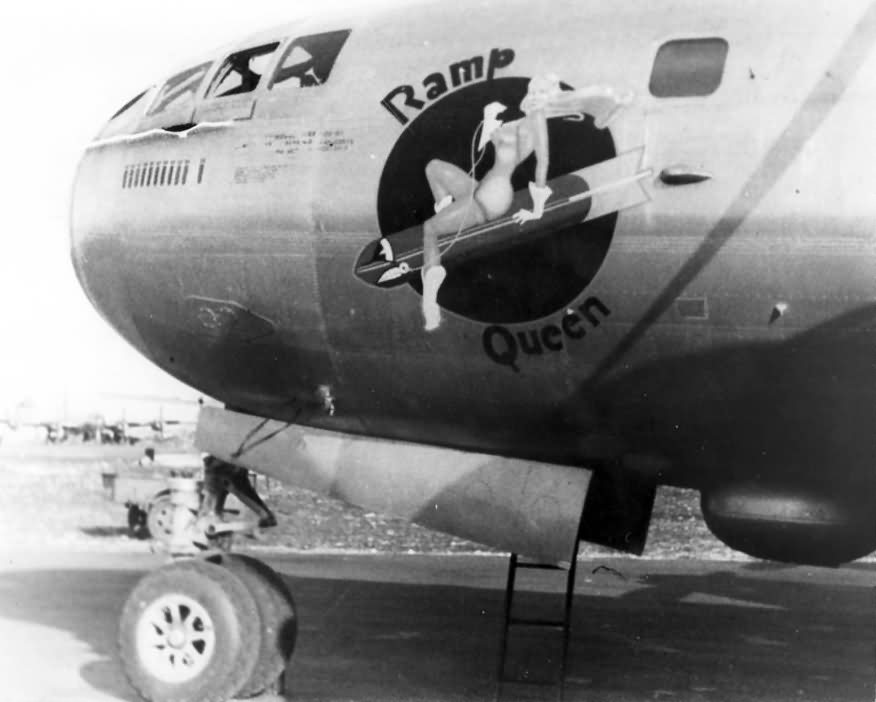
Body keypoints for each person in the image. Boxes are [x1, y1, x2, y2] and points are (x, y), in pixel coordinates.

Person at [415, 75, 630, 330]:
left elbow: (543, 163)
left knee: (430, 229)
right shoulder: (526, 119)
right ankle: (447, 211)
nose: (532, 93)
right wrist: (489, 117)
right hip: (482, 187)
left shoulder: (537, 119)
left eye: (539, 90)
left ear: (548, 95)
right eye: (532, 89)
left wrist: (537, 209)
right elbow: (487, 142)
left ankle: (431, 306)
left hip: (493, 195)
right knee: (434, 167)